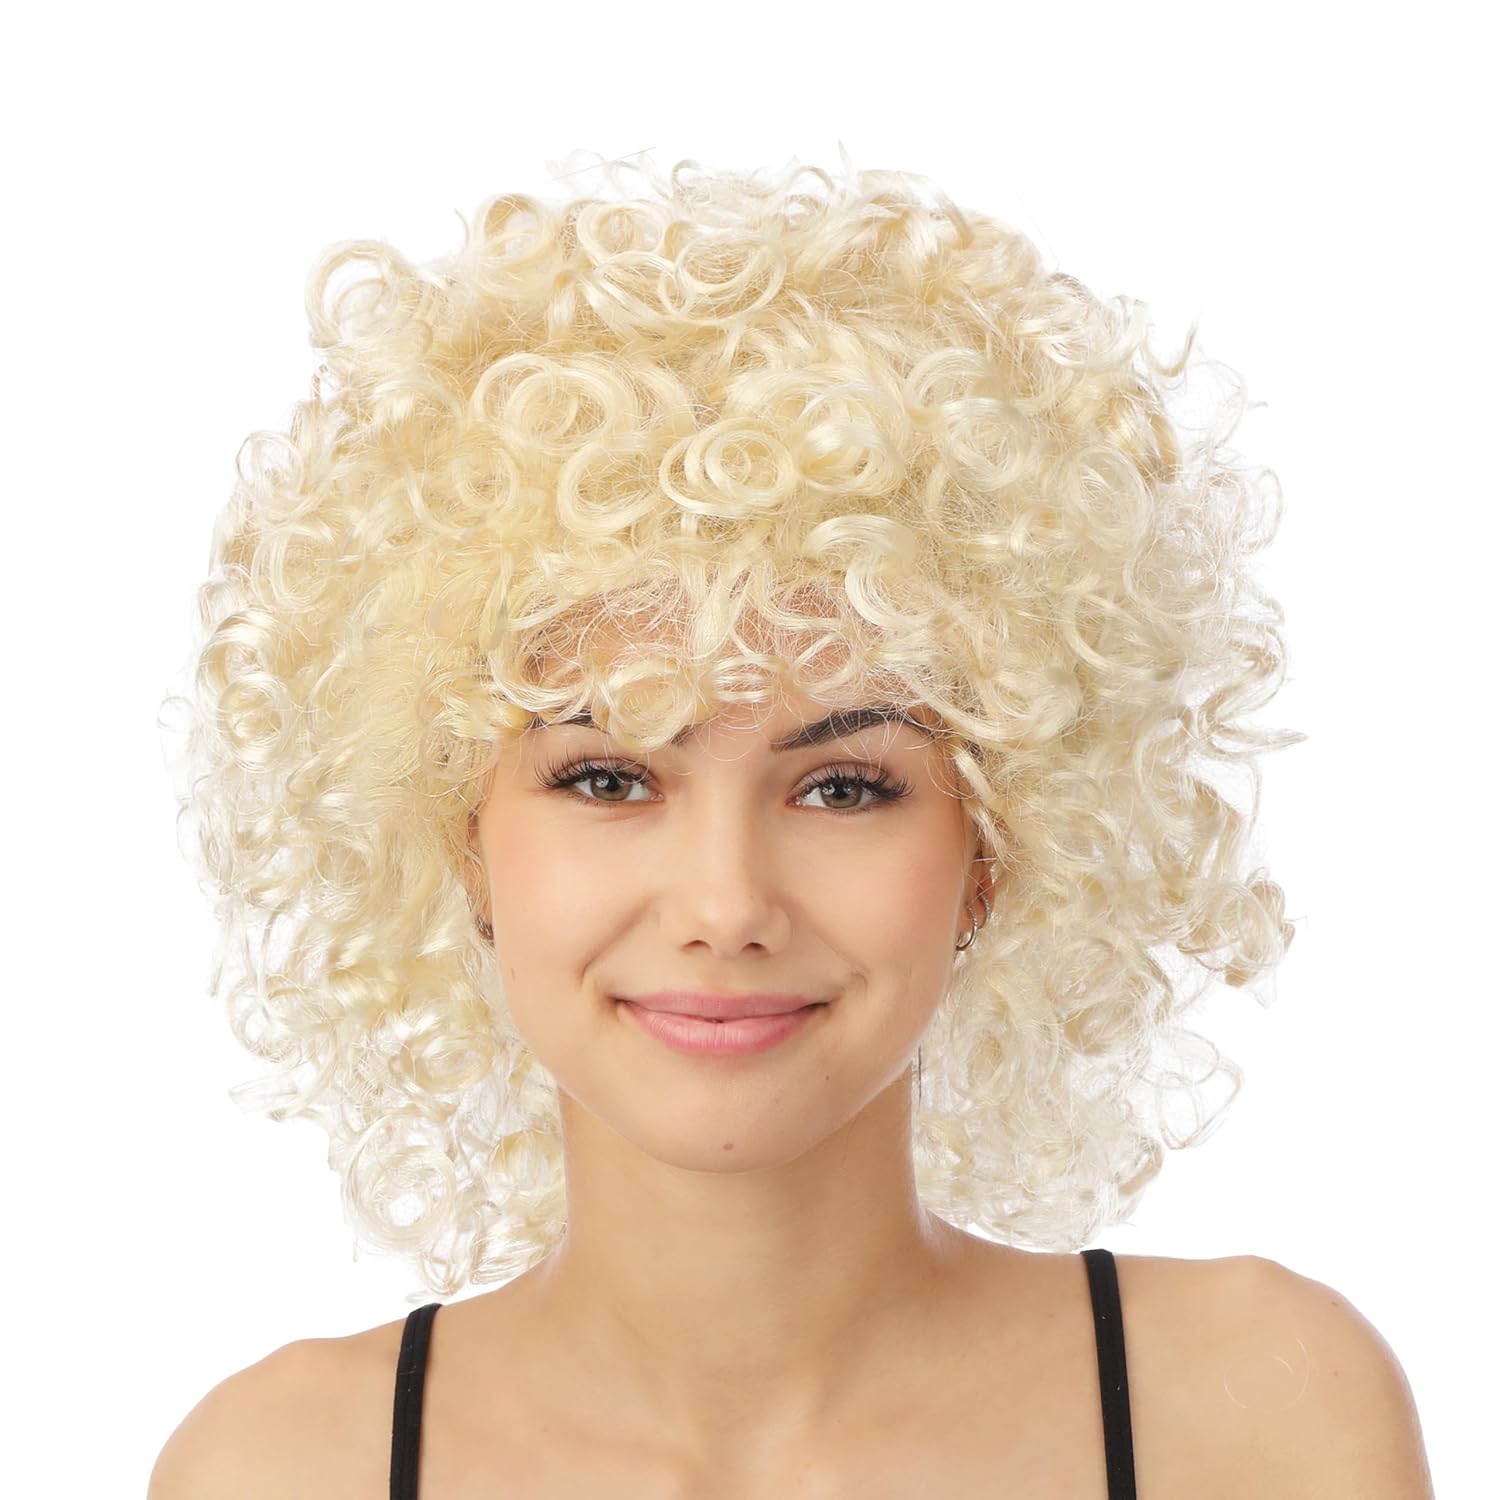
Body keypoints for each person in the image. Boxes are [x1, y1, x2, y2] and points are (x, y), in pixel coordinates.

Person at [148, 150, 1433, 1498]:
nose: (724, 905)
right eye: (608, 779)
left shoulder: (1249, 1414)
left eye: (844, 787)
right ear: (461, 840)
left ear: (994, 851)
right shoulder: (283, 1468)